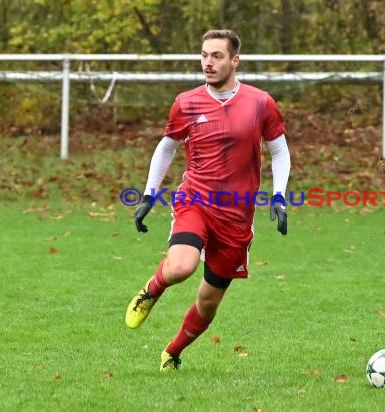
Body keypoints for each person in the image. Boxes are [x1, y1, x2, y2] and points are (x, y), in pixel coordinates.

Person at [125, 29, 291, 372]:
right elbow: (167, 146)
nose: (208, 63)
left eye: (216, 56)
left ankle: (172, 352)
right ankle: (151, 291)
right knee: (181, 266)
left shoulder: (261, 102)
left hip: (236, 217)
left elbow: (279, 150)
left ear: (235, 60)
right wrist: (148, 194)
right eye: (204, 55)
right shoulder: (186, 102)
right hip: (195, 200)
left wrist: (279, 196)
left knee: (208, 300)